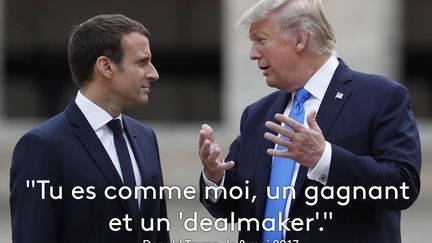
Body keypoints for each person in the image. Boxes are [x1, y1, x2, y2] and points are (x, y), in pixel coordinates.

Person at [198, 0, 421, 242]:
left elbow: (401, 188)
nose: (253, 53)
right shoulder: (258, 114)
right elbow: (236, 208)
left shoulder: (380, 97)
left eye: (261, 39)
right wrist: (215, 178)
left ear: (300, 40)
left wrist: (324, 158)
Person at [10, 14, 169, 243]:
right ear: (105, 66)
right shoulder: (43, 146)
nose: (154, 73)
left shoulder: (145, 137)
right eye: (142, 62)